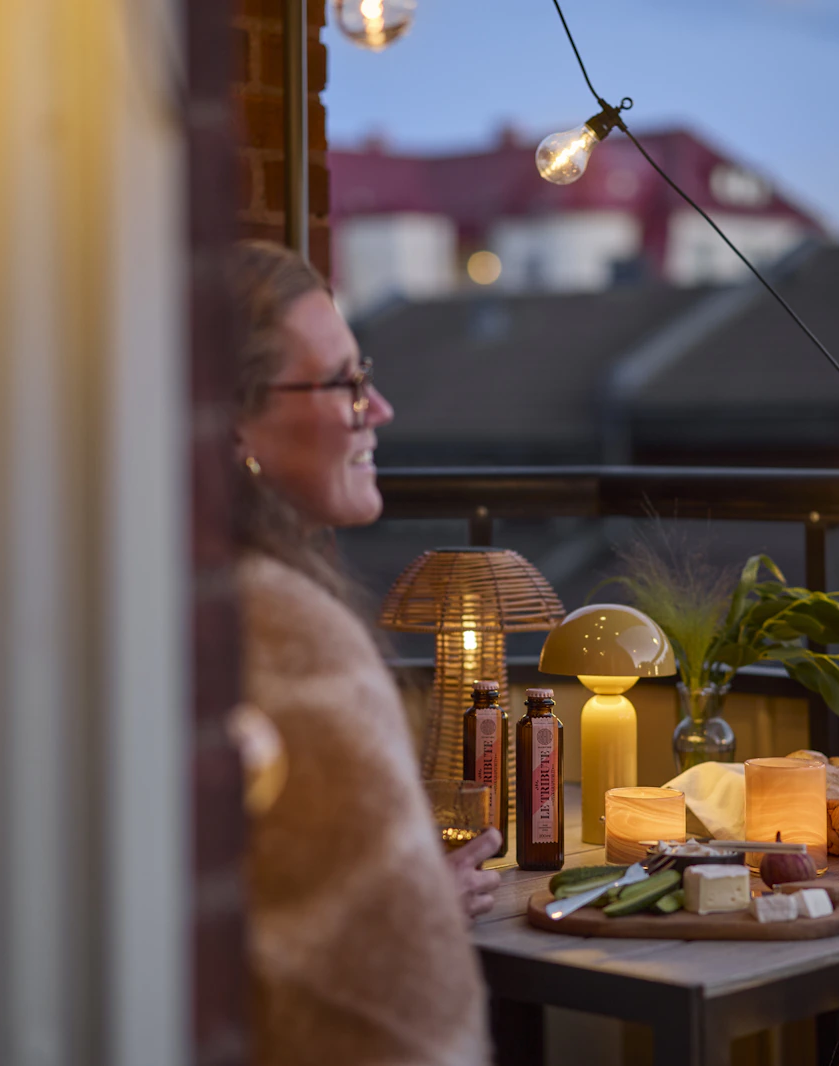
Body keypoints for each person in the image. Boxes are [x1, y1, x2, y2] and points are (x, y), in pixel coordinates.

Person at [228, 239, 500, 1066]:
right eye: (344, 382)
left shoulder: (157, 595)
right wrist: (404, 909)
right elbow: (396, 1019)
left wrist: (403, 892)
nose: (377, 408)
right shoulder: (289, 636)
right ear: (232, 421)